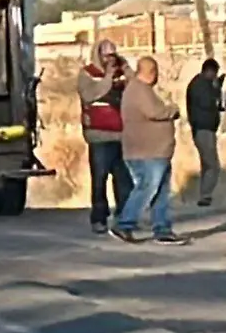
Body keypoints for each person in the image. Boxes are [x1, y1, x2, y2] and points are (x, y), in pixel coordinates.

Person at [112, 56, 185, 244]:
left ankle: (162, 228)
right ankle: (124, 223)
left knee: (160, 191)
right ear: (151, 72)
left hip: (156, 151)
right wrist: (172, 110)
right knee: (147, 187)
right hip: (147, 152)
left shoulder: (139, 90)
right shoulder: (139, 90)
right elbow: (155, 112)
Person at [77, 39, 133, 234]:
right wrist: (108, 77)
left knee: (125, 180)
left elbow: (136, 91)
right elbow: (91, 95)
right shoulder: (87, 75)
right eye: (106, 55)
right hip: (99, 135)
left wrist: (126, 69)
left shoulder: (121, 74)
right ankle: (99, 218)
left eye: (113, 54)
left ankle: (124, 218)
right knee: (99, 179)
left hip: (121, 134)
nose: (110, 59)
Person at [185, 58, 226, 207]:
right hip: (203, 129)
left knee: (207, 164)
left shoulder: (201, 84)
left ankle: (205, 194)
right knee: (212, 165)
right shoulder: (200, 85)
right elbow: (207, 103)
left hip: (204, 128)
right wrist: (216, 89)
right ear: (209, 71)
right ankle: (206, 195)